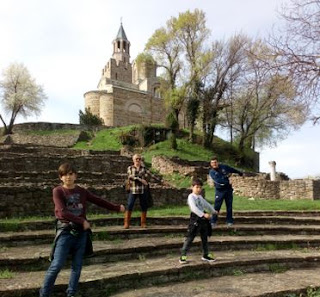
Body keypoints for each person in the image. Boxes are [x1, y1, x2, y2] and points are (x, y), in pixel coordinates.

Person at [39, 162, 125, 297]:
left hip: (81, 234)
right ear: (60, 177)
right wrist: (82, 221)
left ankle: (71, 293)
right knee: (56, 265)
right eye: (64, 175)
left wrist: (116, 207)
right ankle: (44, 294)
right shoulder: (58, 191)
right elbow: (62, 212)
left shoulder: (81, 191)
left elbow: (98, 200)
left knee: (77, 267)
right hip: (65, 232)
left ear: (75, 176)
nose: (68, 177)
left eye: (70, 174)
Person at [179, 178, 218, 264]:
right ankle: (183, 255)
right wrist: (203, 214)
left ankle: (206, 254)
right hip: (195, 219)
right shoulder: (191, 197)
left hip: (203, 220)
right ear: (192, 187)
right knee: (190, 237)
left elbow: (206, 204)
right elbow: (193, 208)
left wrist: (213, 211)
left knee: (205, 238)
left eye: (200, 187)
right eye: (197, 187)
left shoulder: (200, 197)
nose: (199, 189)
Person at [209, 156, 243, 227]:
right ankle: (213, 221)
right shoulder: (212, 172)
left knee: (229, 206)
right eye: (212, 163)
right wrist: (227, 178)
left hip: (228, 190)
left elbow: (231, 169)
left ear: (218, 162)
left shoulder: (224, 167)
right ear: (211, 164)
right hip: (219, 191)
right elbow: (218, 181)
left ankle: (229, 221)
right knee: (217, 206)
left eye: (215, 162)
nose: (214, 164)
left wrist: (239, 172)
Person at [124, 153, 151, 229]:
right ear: (133, 160)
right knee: (129, 205)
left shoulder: (144, 168)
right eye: (136, 159)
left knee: (144, 206)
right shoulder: (130, 168)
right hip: (133, 189)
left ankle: (143, 223)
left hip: (142, 190)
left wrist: (143, 180)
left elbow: (147, 177)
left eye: (139, 159)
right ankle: (126, 223)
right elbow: (130, 177)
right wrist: (140, 179)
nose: (138, 160)